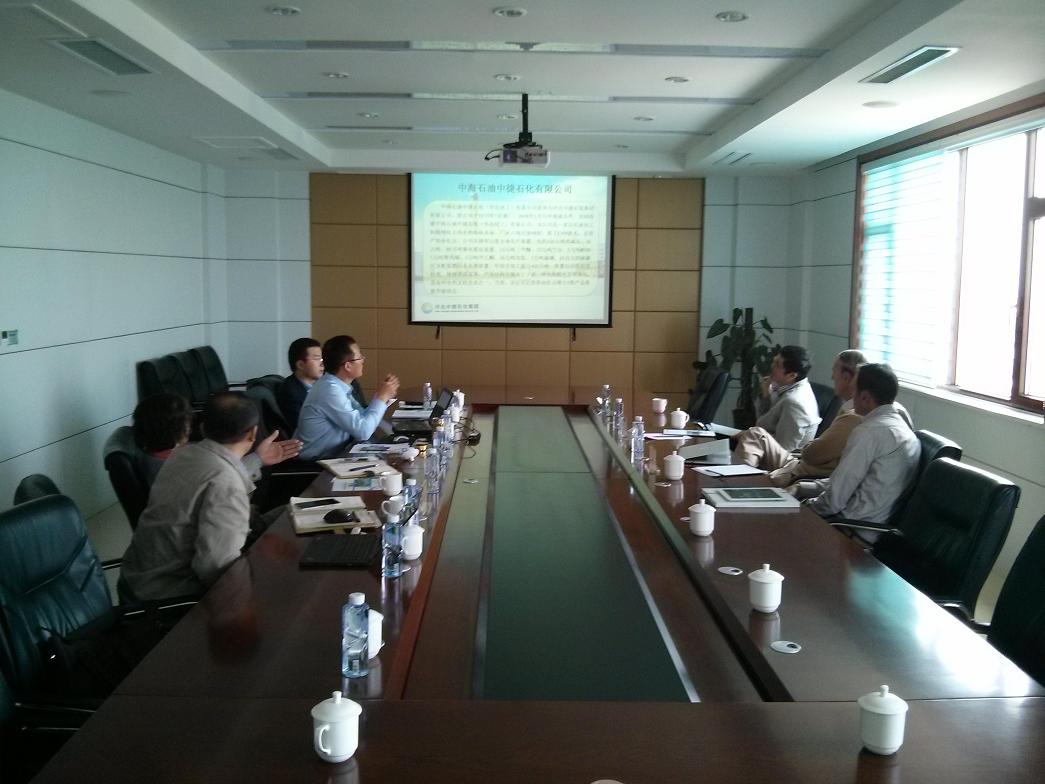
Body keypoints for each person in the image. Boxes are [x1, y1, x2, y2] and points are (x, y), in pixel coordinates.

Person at [119, 392, 301, 602]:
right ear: (252, 434)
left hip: (139, 581)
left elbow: (219, 471)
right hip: (171, 596)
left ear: (203, 427)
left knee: (292, 512)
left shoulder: (184, 454)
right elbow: (216, 568)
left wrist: (258, 460)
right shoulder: (225, 484)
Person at [802, 363, 920, 524]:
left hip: (848, 528)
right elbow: (841, 481)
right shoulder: (903, 428)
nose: (851, 396)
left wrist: (805, 505)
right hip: (873, 526)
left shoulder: (869, 432)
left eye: (854, 390)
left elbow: (833, 502)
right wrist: (803, 487)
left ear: (865, 398)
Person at [766, 350, 866, 487]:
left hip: (804, 473)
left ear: (846, 377)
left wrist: (810, 447)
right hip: (799, 463)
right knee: (755, 436)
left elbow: (812, 454)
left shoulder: (852, 417)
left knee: (755, 436)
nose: (832, 377)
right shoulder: (848, 408)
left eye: (834, 372)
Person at [295, 335, 400, 460]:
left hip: (338, 453)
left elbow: (361, 418)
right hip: (315, 463)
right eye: (359, 357)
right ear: (348, 366)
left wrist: (381, 397)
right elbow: (363, 431)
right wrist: (381, 398)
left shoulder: (336, 385)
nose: (363, 360)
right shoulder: (329, 390)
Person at [733, 345, 821, 465]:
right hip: (761, 449)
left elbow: (782, 449)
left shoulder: (794, 403)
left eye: (777, 365)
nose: (772, 366)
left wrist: (750, 436)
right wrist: (766, 396)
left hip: (779, 464)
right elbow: (763, 422)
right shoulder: (784, 386)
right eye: (774, 361)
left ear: (792, 375)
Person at [132, 392, 194, 483]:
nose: (189, 428)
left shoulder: (148, 454)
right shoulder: (177, 467)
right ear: (174, 429)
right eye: (187, 422)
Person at [276, 337, 324, 431]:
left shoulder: (321, 385)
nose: (322, 364)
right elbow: (305, 427)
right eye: (317, 359)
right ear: (300, 365)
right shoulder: (290, 393)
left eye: (322, 359)